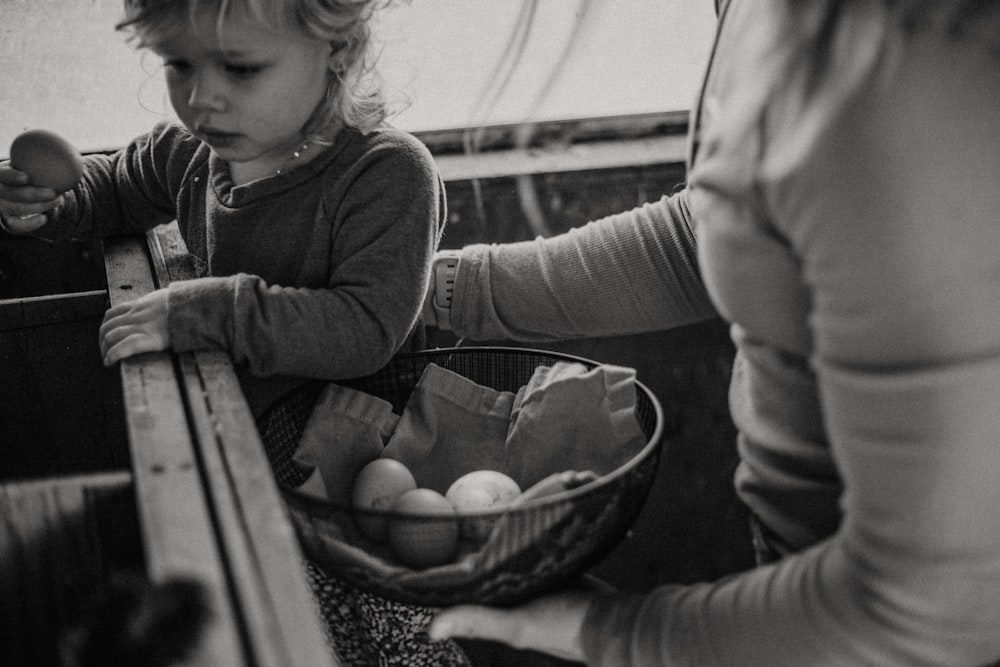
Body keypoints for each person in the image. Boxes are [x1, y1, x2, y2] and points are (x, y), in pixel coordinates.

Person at [425, 0, 1000, 664]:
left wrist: (615, 632)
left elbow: (923, 613)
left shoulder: (902, 69)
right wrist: (447, 291)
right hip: (807, 588)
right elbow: (739, 224)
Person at [0, 1, 468, 665]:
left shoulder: (386, 175)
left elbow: (363, 329)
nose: (201, 98)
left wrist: (202, 309)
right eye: (178, 64)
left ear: (336, 50)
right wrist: (44, 206)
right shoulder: (195, 151)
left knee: (402, 645)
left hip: (360, 482)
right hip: (252, 474)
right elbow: (114, 189)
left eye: (241, 68)